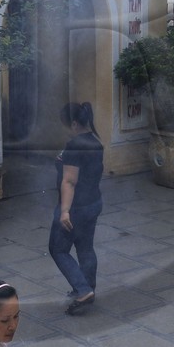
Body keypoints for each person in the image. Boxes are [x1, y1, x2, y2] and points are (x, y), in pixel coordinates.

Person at [48, 102, 104, 316]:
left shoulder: (75, 145)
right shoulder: (95, 142)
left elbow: (69, 181)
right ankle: (88, 287)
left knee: (58, 249)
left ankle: (82, 290)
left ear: (73, 123)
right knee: (85, 247)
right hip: (93, 203)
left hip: (75, 207)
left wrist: (64, 211)